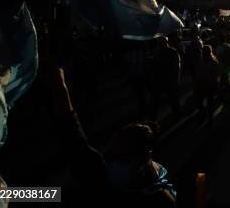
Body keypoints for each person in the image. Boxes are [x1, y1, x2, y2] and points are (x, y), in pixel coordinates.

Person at [41, 60, 176, 207]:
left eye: (127, 134)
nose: (112, 164)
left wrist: (60, 88)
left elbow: (72, 134)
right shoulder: (155, 181)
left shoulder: (101, 178)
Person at [148, 37, 181, 121]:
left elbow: (176, 68)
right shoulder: (157, 51)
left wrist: (175, 80)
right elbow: (153, 67)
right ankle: (153, 119)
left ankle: (176, 115)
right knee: (156, 102)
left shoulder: (172, 52)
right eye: (160, 43)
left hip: (168, 80)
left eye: (162, 42)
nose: (161, 44)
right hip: (159, 80)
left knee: (172, 100)